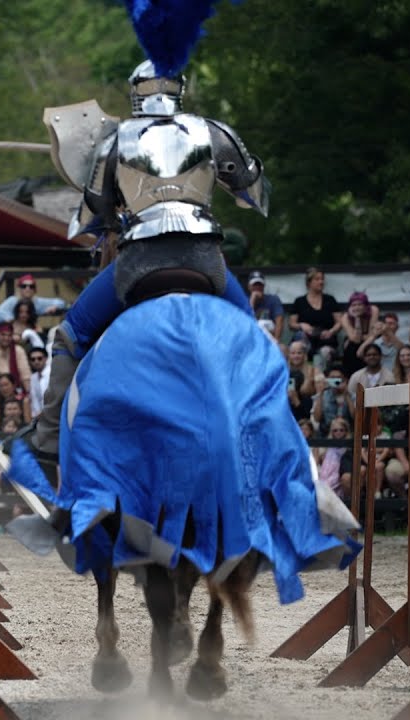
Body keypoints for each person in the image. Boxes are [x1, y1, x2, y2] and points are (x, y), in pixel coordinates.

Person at [21, 58, 267, 464]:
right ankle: (272, 435)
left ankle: (47, 439)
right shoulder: (211, 131)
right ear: (180, 88)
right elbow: (252, 194)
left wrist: (129, 198)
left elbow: (92, 217)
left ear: (136, 92)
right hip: (205, 262)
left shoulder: (117, 140)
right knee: (255, 340)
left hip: (139, 265)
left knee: (71, 334)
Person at [289, 268, 342, 369]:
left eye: (322, 279)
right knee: (299, 344)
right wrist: (301, 325)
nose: (321, 282)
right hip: (306, 339)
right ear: (309, 283)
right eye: (317, 279)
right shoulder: (299, 301)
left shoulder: (330, 300)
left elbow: (339, 322)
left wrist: (331, 331)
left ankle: (320, 378)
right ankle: (301, 375)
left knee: (324, 353)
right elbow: (291, 324)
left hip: (326, 340)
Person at [0, 274, 67, 324]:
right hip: (13, 334)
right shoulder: (12, 301)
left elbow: (61, 302)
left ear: (34, 290)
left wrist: (55, 306)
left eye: (31, 286)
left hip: (29, 332)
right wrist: (12, 319)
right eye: (24, 286)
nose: (28, 289)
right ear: (19, 288)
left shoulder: (37, 302)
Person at [247, 271, 285, 340]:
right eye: (254, 285)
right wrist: (252, 301)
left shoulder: (273, 299)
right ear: (249, 287)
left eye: (260, 285)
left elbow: (279, 320)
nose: (257, 287)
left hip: (270, 337)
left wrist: (276, 341)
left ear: (264, 286)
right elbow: (247, 321)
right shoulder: (244, 301)